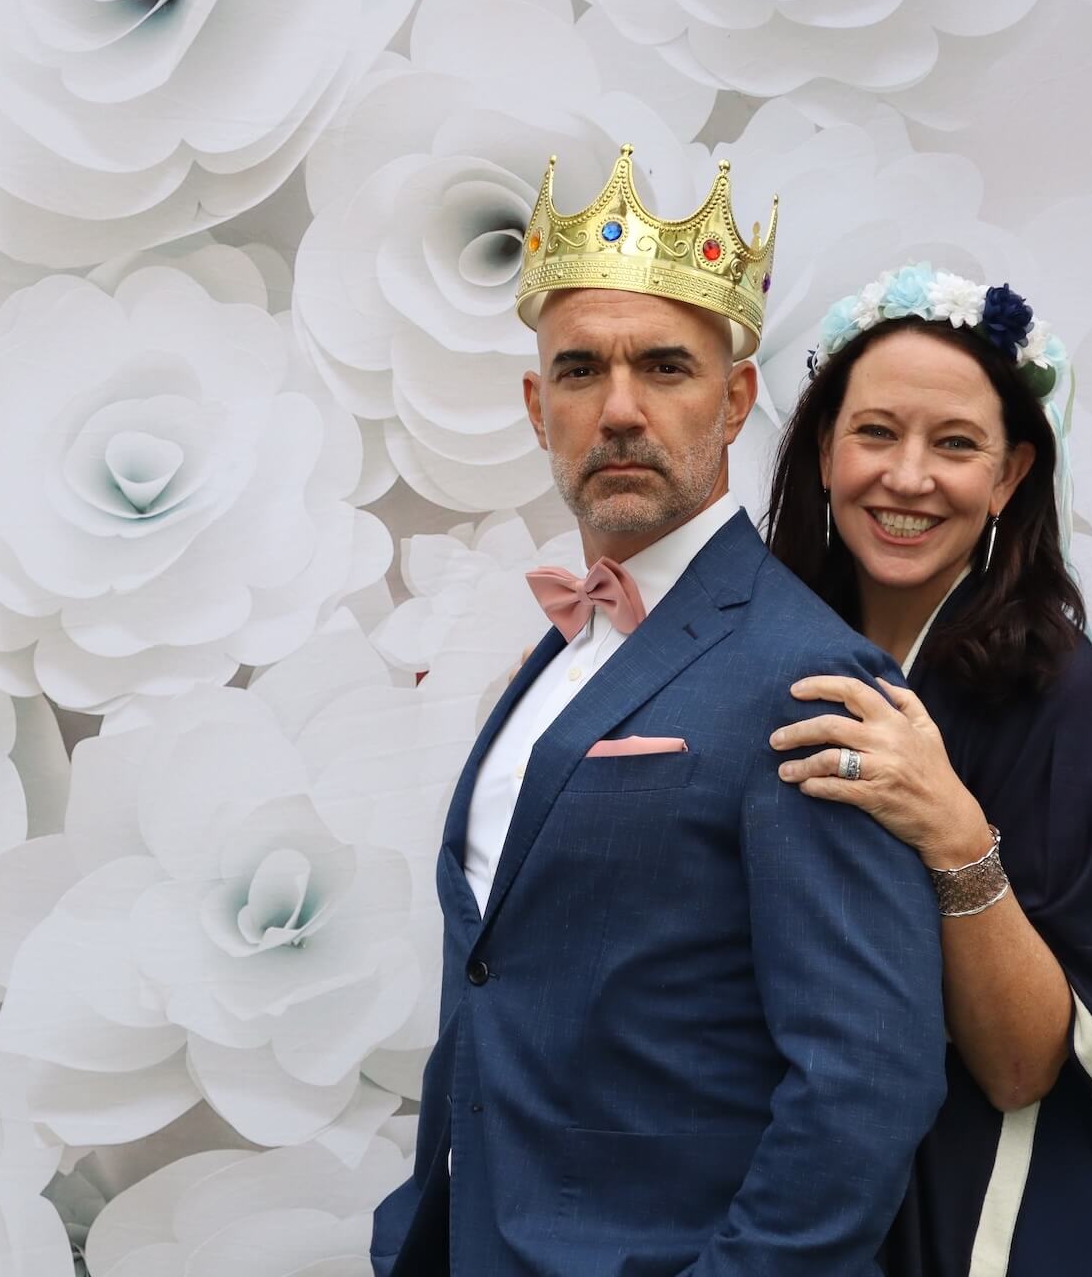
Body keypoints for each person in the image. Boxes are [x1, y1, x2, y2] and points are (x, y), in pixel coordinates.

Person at [369, 149, 947, 1276]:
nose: (621, 409)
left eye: (666, 367)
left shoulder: (809, 671)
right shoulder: (556, 655)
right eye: (581, 370)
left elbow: (866, 1075)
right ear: (538, 408)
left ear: (734, 401)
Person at [761, 263, 1092, 1276]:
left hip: (992, 1201)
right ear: (825, 450)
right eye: (876, 431)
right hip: (797, 1186)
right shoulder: (762, 653)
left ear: (1009, 475)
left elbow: (1019, 1068)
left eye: (956, 444)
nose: (909, 477)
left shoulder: (1058, 691)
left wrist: (952, 828)